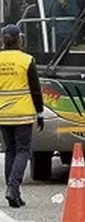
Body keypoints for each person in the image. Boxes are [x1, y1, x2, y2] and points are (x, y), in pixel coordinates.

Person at [0, 25, 44, 208]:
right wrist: (40, 113)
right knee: (23, 151)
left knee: (9, 151)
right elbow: (35, 90)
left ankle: (14, 195)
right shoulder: (26, 60)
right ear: (19, 40)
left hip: (3, 114)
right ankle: (12, 187)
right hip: (23, 114)